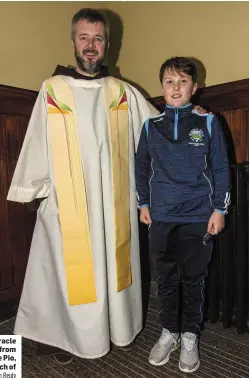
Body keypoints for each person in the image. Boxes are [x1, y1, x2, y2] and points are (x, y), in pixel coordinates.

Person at [7, 9, 208, 364]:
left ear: (107, 46)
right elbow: (38, 141)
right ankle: (61, 339)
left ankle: (116, 329)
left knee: (113, 267)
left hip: (112, 206)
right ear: (73, 42)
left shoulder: (121, 92)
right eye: (84, 37)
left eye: (97, 39)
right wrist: (33, 191)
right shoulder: (52, 90)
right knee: (63, 274)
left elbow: (157, 126)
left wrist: (193, 115)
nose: (90, 45)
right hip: (67, 206)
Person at [135, 57, 230, 373]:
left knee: (193, 279)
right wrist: (143, 203)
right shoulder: (150, 127)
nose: (175, 88)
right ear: (161, 87)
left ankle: (189, 334)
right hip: (161, 216)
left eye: (182, 81)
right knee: (165, 279)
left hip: (197, 216)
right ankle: (170, 331)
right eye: (169, 81)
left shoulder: (208, 123)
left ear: (194, 87)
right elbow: (142, 167)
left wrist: (219, 209)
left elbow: (219, 167)